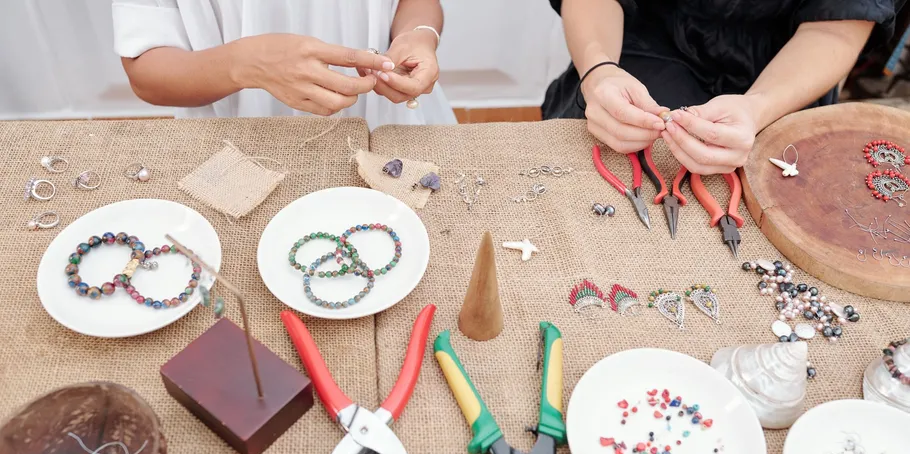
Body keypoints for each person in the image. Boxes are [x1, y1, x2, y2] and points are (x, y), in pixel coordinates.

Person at [543, 0, 898, 175]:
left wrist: (757, 107)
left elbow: (835, 27)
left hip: (787, 77)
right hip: (638, 48)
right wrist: (599, 69)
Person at [112, 0, 457, 129]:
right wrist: (244, 63)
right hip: (235, 138)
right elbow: (146, 71)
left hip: (387, 122)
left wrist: (419, 35)